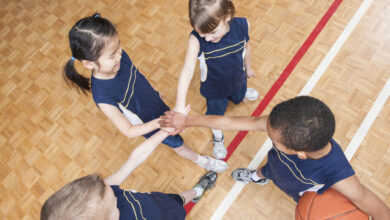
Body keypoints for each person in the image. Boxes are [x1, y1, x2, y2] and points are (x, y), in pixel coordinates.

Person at [161, 96, 390, 219]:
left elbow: (379, 211)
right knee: (268, 168)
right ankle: (258, 176)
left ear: (300, 153)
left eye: (275, 141)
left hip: (298, 188)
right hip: (275, 165)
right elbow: (230, 123)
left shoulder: (337, 174)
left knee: (281, 175)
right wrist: (187, 121)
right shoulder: (284, 125)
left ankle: (261, 175)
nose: (269, 135)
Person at [63, 13, 227, 173]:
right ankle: (203, 161)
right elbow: (128, 131)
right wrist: (161, 123)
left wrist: (154, 90)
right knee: (179, 145)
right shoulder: (102, 97)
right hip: (152, 124)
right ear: (88, 64)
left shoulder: (120, 58)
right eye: (112, 55)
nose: (119, 54)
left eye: (118, 46)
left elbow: (137, 74)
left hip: (157, 106)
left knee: (178, 127)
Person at [40, 130, 218, 220]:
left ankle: (197, 191)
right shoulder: (99, 200)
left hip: (160, 202)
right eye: (106, 192)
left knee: (178, 199)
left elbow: (134, 159)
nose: (107, 186)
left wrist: (163, 131)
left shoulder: (100, 194)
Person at [174, 0, 259, 160]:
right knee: (215, 117)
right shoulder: (195, 40)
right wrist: (179, 106)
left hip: (238, 79)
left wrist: (248, 68)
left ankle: (242, 92)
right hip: (215, 91)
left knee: (238, 97)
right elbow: (187, 70)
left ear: (227, 16)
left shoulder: (243, 25)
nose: (206, 39)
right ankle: (218, 137)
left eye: (212, 33)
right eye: (201, 33)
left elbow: (246, 48)